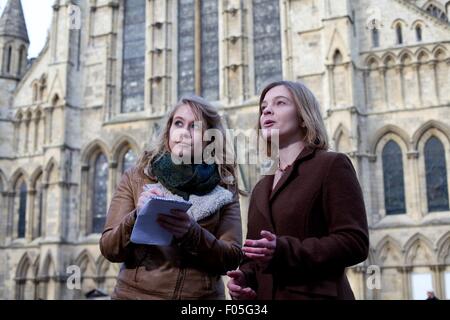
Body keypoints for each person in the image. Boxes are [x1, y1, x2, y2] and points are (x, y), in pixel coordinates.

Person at [227, 80, 369, 300]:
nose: (267, 110)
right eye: (263, 107)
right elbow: (255, 257)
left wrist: (284, 250)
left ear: (303, 116)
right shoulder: (260, 188)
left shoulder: (332, 165)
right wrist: (245, 279)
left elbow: (355, 243)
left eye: (280, 103)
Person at [100, 95, 243, 299]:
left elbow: (231, 258)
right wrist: (136, 216)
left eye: (195, 127)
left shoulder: (225, 185)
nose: (184, 133)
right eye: (178, 123)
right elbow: (109, 249)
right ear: (168, 131)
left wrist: (191, 233)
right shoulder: (138, 176)